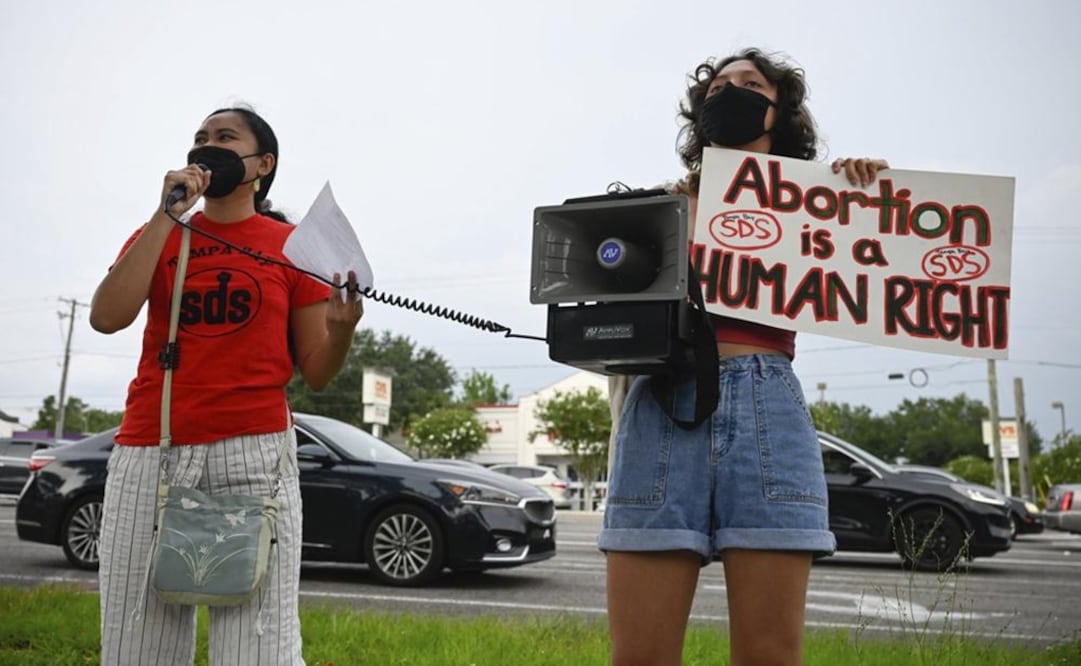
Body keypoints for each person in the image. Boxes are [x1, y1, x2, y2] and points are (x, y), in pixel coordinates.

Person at [599, 49, 889, 665]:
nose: (729, 91)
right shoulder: (661, 206)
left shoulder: (814, 201)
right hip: (662, 403)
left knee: (769, 655)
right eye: (717, 86)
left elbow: (885, 252)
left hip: (767, 404)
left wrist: (872, 193)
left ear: (779, 111)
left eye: (749, 84)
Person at [90, 106, 363, 665]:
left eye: (224, 136)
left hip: (253, 456)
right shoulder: (160, 232)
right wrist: (165, 216)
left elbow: (317, 370)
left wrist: (340, 333)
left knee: (257, 645)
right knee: (136, 640)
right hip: (152, 448)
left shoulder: (293, 247)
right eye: (199, 138)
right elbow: (106, 316)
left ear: (263, 164)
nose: (206, 145)